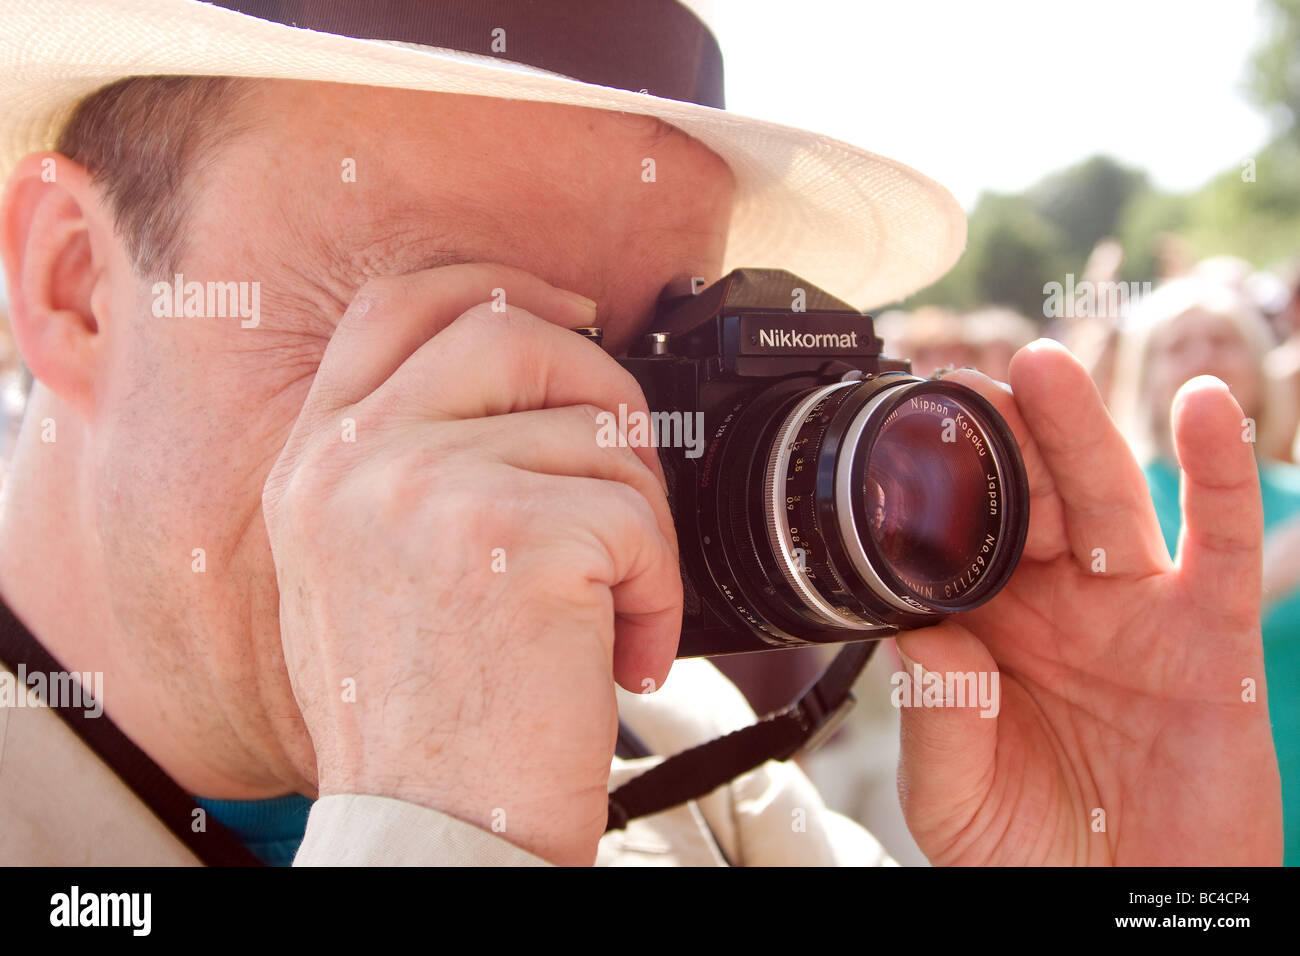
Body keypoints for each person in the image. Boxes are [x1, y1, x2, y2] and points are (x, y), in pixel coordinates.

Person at [0, 0, 1282, 866]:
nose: (584, 475)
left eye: (663, 355)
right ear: (75, 286)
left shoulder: (685, 764)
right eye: (457, 336)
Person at [1113, 274, 1300, 864]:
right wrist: (1280, 565)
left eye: (1223, 338)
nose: (1202, 355)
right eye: (1177, 344)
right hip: (1182, 811)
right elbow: (1151, 642)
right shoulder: (1120, 504)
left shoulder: (1295, 496)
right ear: (1144, 381)